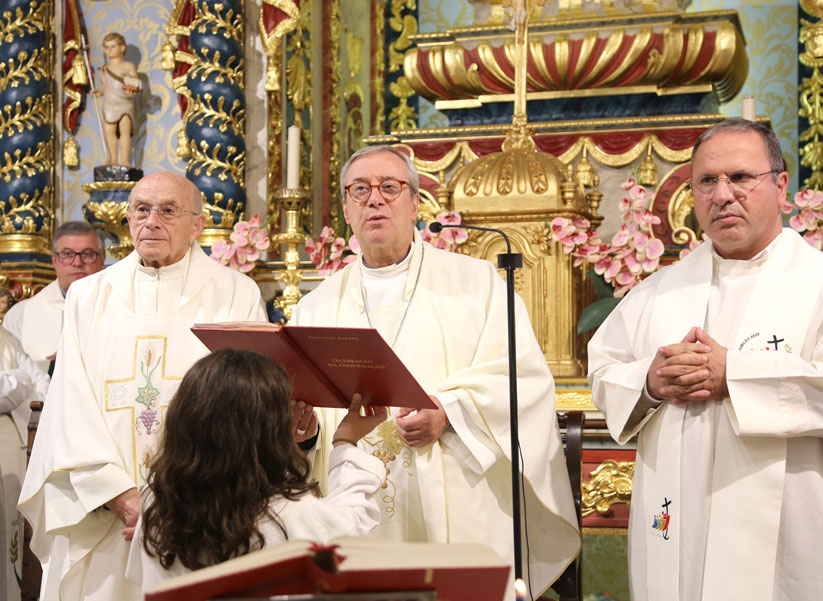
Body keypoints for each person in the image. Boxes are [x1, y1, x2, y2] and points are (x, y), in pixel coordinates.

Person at [290, 145, 579, 598]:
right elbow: (307, 419)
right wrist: (305, 434)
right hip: (356, 509)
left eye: (390, 187)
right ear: (346, 208)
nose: (375, 199)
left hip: (461, 498)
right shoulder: (315, 308)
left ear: (414, 203)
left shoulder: (477, 284)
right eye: (360, 189)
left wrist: (449, 413)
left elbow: (524, 378)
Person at [588, 118, 823, 601]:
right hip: (679, 524)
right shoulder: (659, 290)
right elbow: (605, 373)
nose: (722, 195)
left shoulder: (815, 283)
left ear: (781, 185)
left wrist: (734, 374)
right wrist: (650, 381)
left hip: (788, 521)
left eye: (741, 177)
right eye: (707, 181)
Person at [18, 171, 267, 601]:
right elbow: (70, 403)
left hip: (200, 513)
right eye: (141, 210)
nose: (151, 221)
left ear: (197, 224)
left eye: (168, 210)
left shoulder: (234, 294)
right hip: (104, 515)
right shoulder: (88, 296)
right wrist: (118, 494)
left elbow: (246, 405)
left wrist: (183, 501)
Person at [125, 348, 387, 596]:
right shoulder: (285, 513)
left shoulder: (156, 500)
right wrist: (345, 442)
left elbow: (142, 573)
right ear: (266, 434)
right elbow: (351, 529)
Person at [3, 221, 106, 372]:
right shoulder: (20, 316)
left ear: (103, 259)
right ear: (54, 260)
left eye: (88, 254)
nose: (77, 262)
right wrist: (50, 367)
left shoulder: (121, 307)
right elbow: (8, 375)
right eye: (67, 254)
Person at [0, 328, 48, 601]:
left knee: (12, 538)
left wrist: (19, 382)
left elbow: (44, 384)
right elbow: (16, 385)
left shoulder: (6, 338)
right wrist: (21, 379)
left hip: (14, 452)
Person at [95, 32, 141, 166]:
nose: (109, 50)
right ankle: (113, 160)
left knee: (124, 130)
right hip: (110, 105)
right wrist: (98, 92)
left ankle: (125, 160)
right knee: (109, 131)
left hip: (125, 103)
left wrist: (132, 87)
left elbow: (134, 81)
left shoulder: (128, 66)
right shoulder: (104, 69)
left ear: (122, 47)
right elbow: (104, 87)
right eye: (106, 47)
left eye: (113, 46)